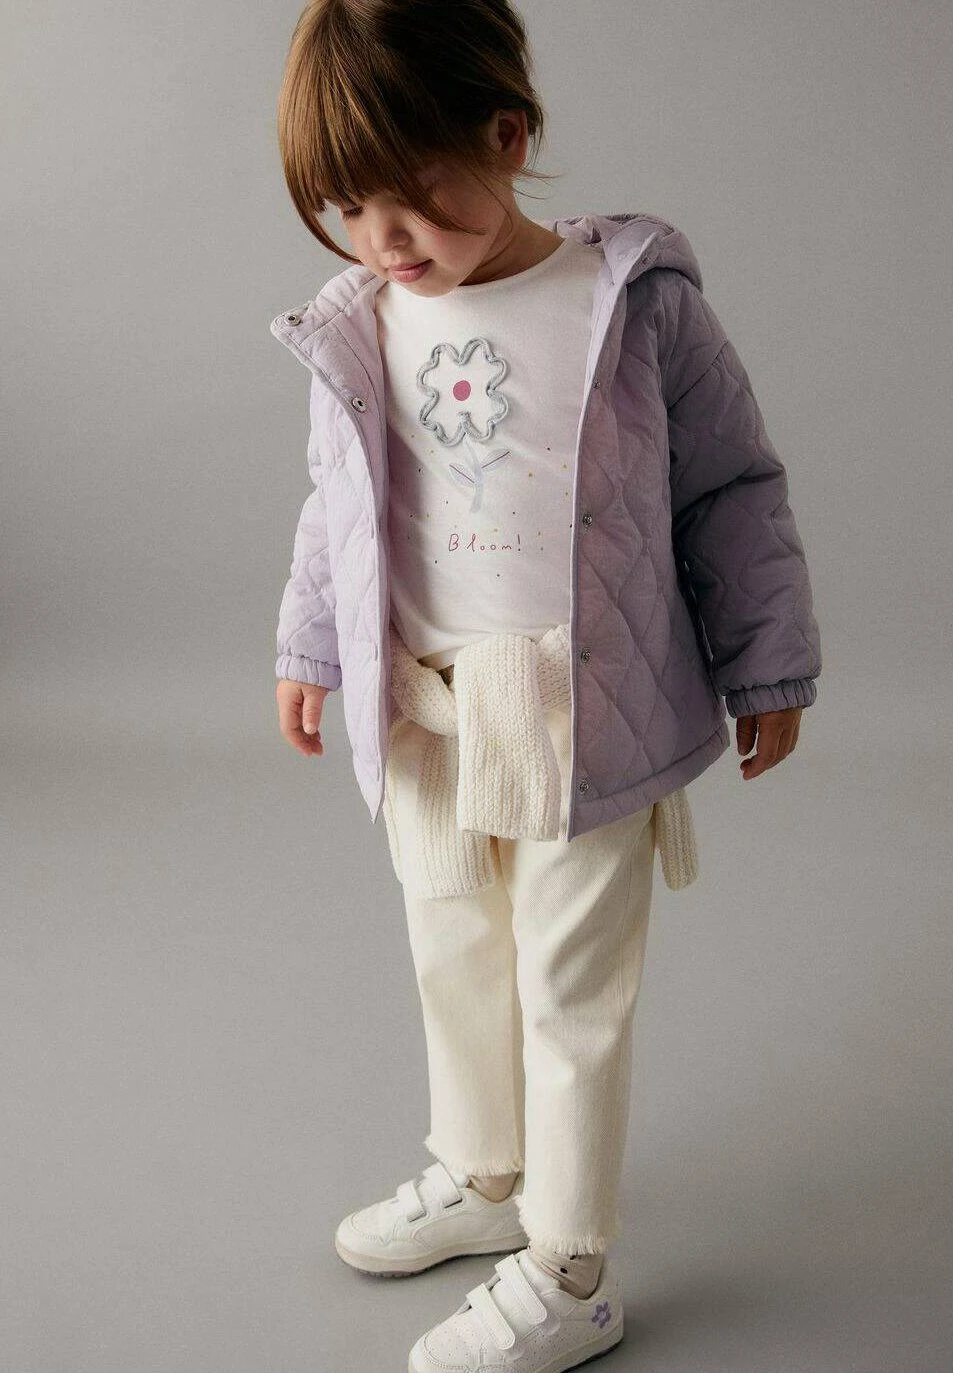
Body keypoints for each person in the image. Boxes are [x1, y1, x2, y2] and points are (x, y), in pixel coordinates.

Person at [270, 2, 822, 1369]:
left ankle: (570, 1269)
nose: (385, 239)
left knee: (570, 986)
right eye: (348, 208)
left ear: (508, 138)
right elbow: (339, 504)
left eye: (415, 195)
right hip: (427, 708)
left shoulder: (630, 307)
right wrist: (314, 643)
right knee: (452, 945)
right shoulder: (366, 322)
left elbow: (733, 489)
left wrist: (766, 658)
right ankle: (484, 1171)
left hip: (585, 708)